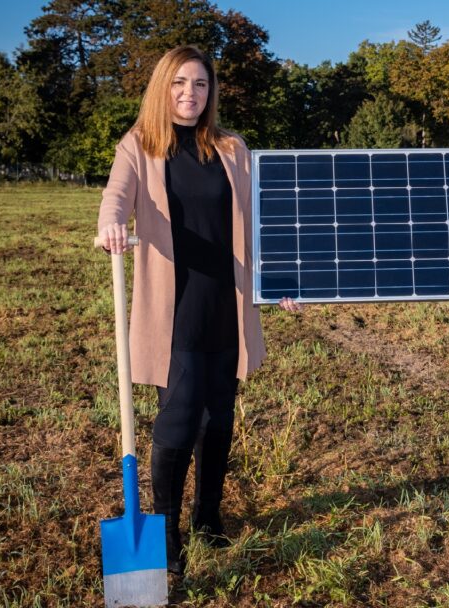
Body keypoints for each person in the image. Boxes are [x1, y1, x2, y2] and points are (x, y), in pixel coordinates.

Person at [97, 45, 302, 575]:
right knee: (180, 418)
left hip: (227, 306)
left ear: (211, 93)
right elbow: (117, 196)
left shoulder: (232, 148)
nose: (191, 94)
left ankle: (208, 516)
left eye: (202, 85)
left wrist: (284, 278)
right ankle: (165, 531)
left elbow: (265, 221)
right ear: (163, 88)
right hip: (176, 308)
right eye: (180, 84)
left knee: (220, 417)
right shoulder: (139, 146)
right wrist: (111, 224)